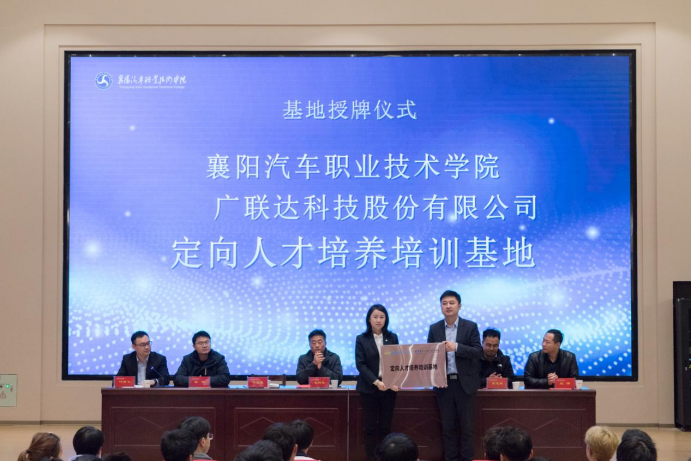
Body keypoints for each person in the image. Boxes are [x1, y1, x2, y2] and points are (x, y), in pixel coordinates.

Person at [427, 289, 483, 461]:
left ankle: (466, 459)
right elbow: (429, 355)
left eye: (452, 303)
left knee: (467, 428)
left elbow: (478, 352)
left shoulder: (470, 326)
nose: (448, 306)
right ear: (441, 307)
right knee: (448, 427)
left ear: (459, 305)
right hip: (443, 384)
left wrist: (456, 347)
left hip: (464, 384)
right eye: (444, 303)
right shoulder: (434, 328)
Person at [356, 304, 401, 461]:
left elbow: (398, 360)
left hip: (389, 388)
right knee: (369, 427)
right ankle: (371, 457)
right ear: (369, 319)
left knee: (385, 427)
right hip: (369, 388)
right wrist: (376, 381)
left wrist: (395, 381)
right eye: (375, 317)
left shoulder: (392, 337)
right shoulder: (361, 339)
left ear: (386, 319)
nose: (378, 320)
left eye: (382, 317)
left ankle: (385, 457)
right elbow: (361, 364)